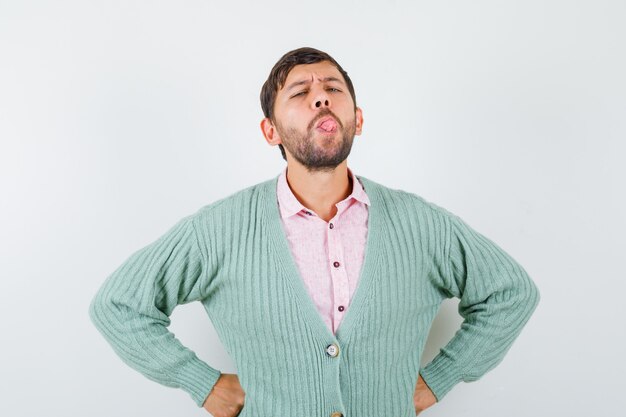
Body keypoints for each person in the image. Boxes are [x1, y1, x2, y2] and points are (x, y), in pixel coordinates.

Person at [89, 47, 540, 417]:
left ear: (357, 119)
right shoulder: (218, 230)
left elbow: (510, 293)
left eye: (332, 89)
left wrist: (439, 378)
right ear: (271, 132)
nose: (320, 98)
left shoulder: (422, 224)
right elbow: (119, 306)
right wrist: (202, 384)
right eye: (300, 92)